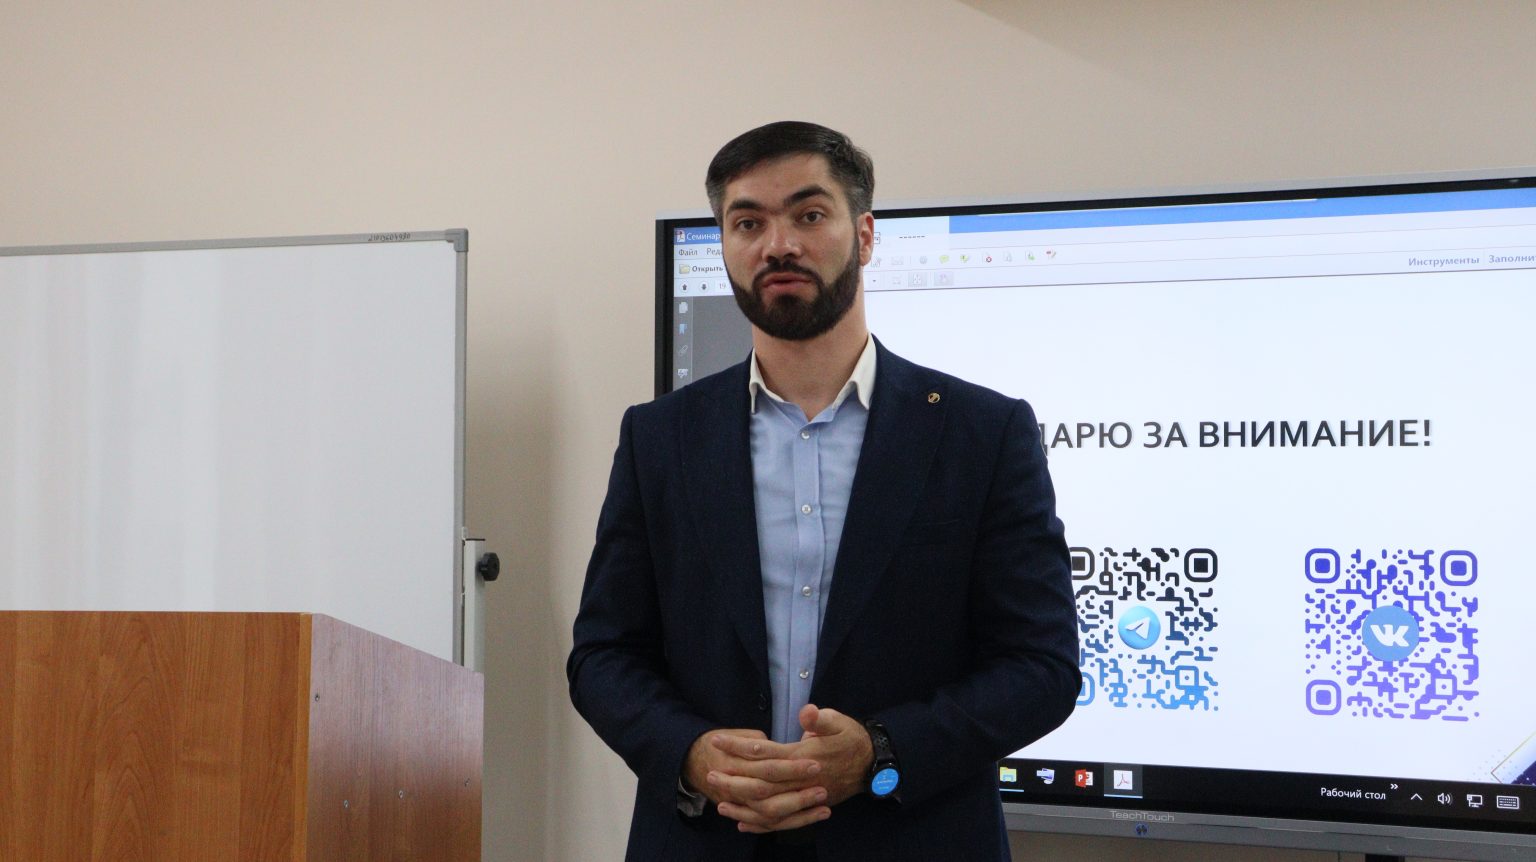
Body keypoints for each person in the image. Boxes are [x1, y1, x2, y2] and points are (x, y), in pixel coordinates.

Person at [567, 121, 1079, 862]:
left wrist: (878, 752)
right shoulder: (660, 438)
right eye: (748, 222)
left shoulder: (982, 433)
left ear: (864, 236)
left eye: (809, 215)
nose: (778, 245)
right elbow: (604, 655)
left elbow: (1041, 667)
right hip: (708, 841)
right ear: (725, 246)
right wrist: (691, 752)